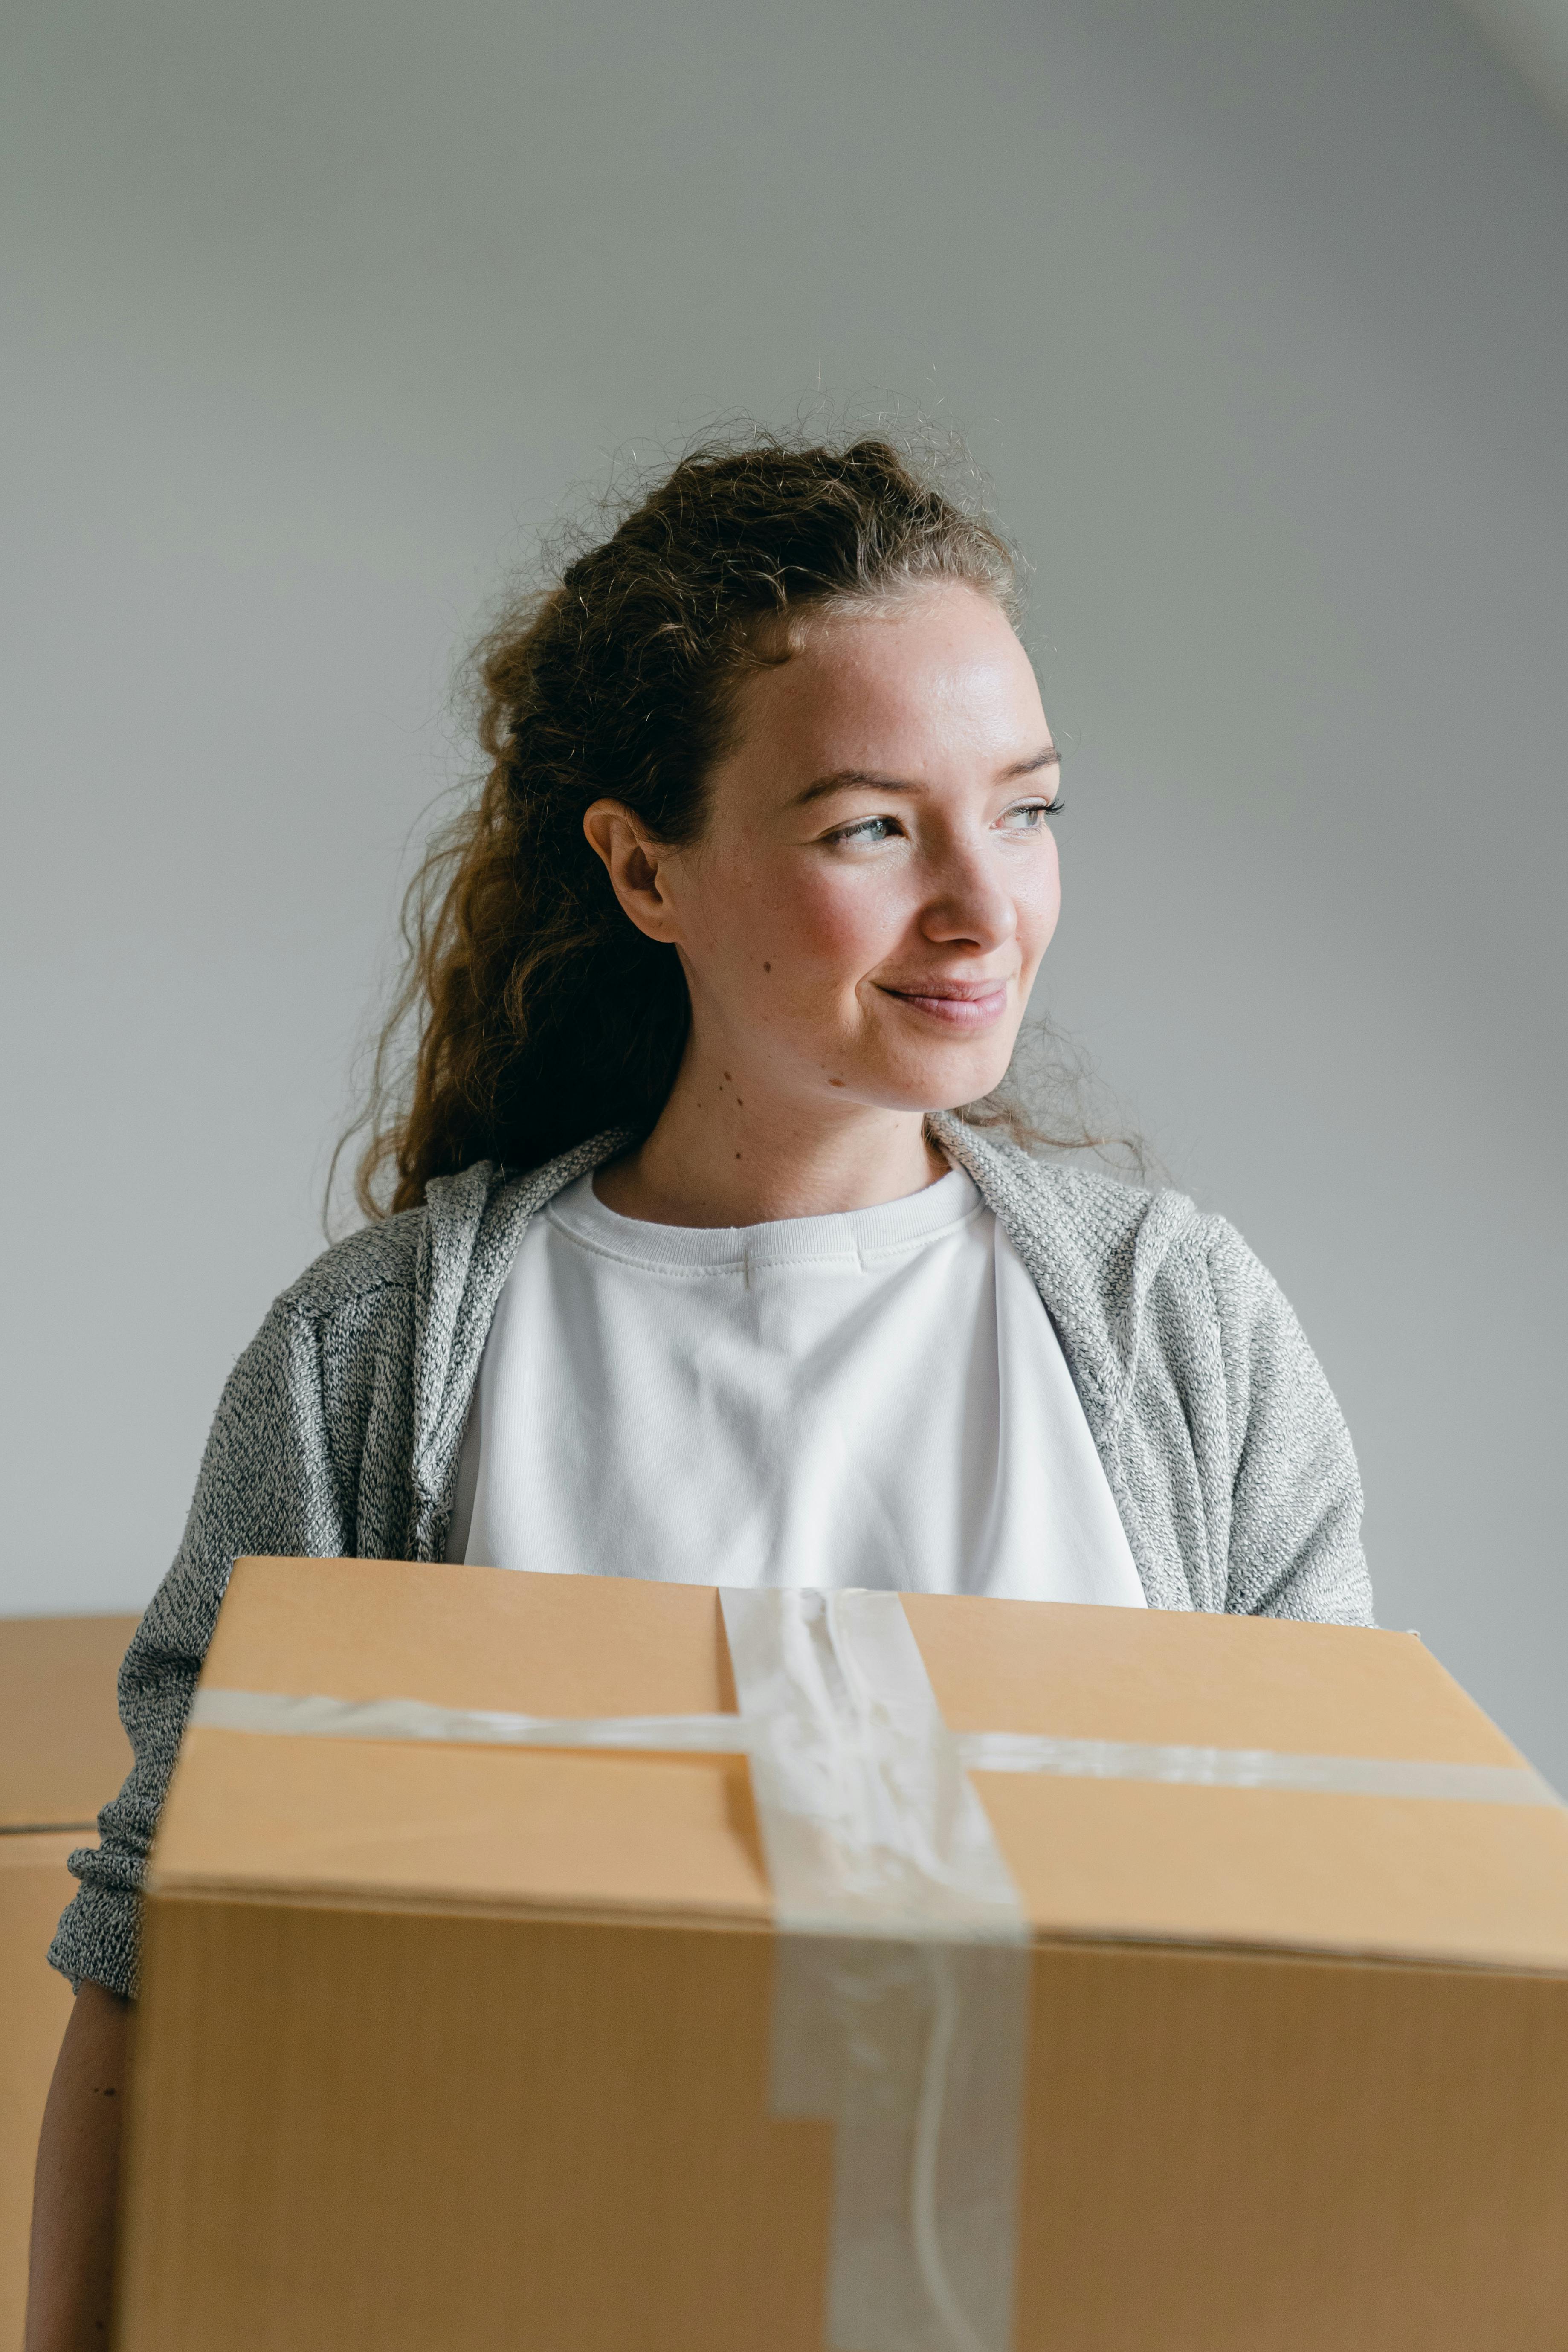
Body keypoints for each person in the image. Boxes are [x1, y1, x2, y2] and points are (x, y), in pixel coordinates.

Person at [26, 435, 1372, 2349]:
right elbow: (157, 1956)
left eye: (1027, 807)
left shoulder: (1178, 1331)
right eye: (868, 830)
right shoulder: (381, 1357)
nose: (983, 907)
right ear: (642, 865)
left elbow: (1353, 1942)